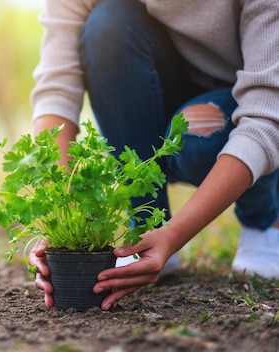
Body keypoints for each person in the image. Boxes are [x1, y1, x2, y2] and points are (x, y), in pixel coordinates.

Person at [28, 0, 279, 311]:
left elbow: (266, 119)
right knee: (107, 25)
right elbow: (56, 88)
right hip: (162, 78)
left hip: (238, 100)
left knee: (201, 134)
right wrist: (59, 216)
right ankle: (147, 231)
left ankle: (265, 219)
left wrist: (175, 235)